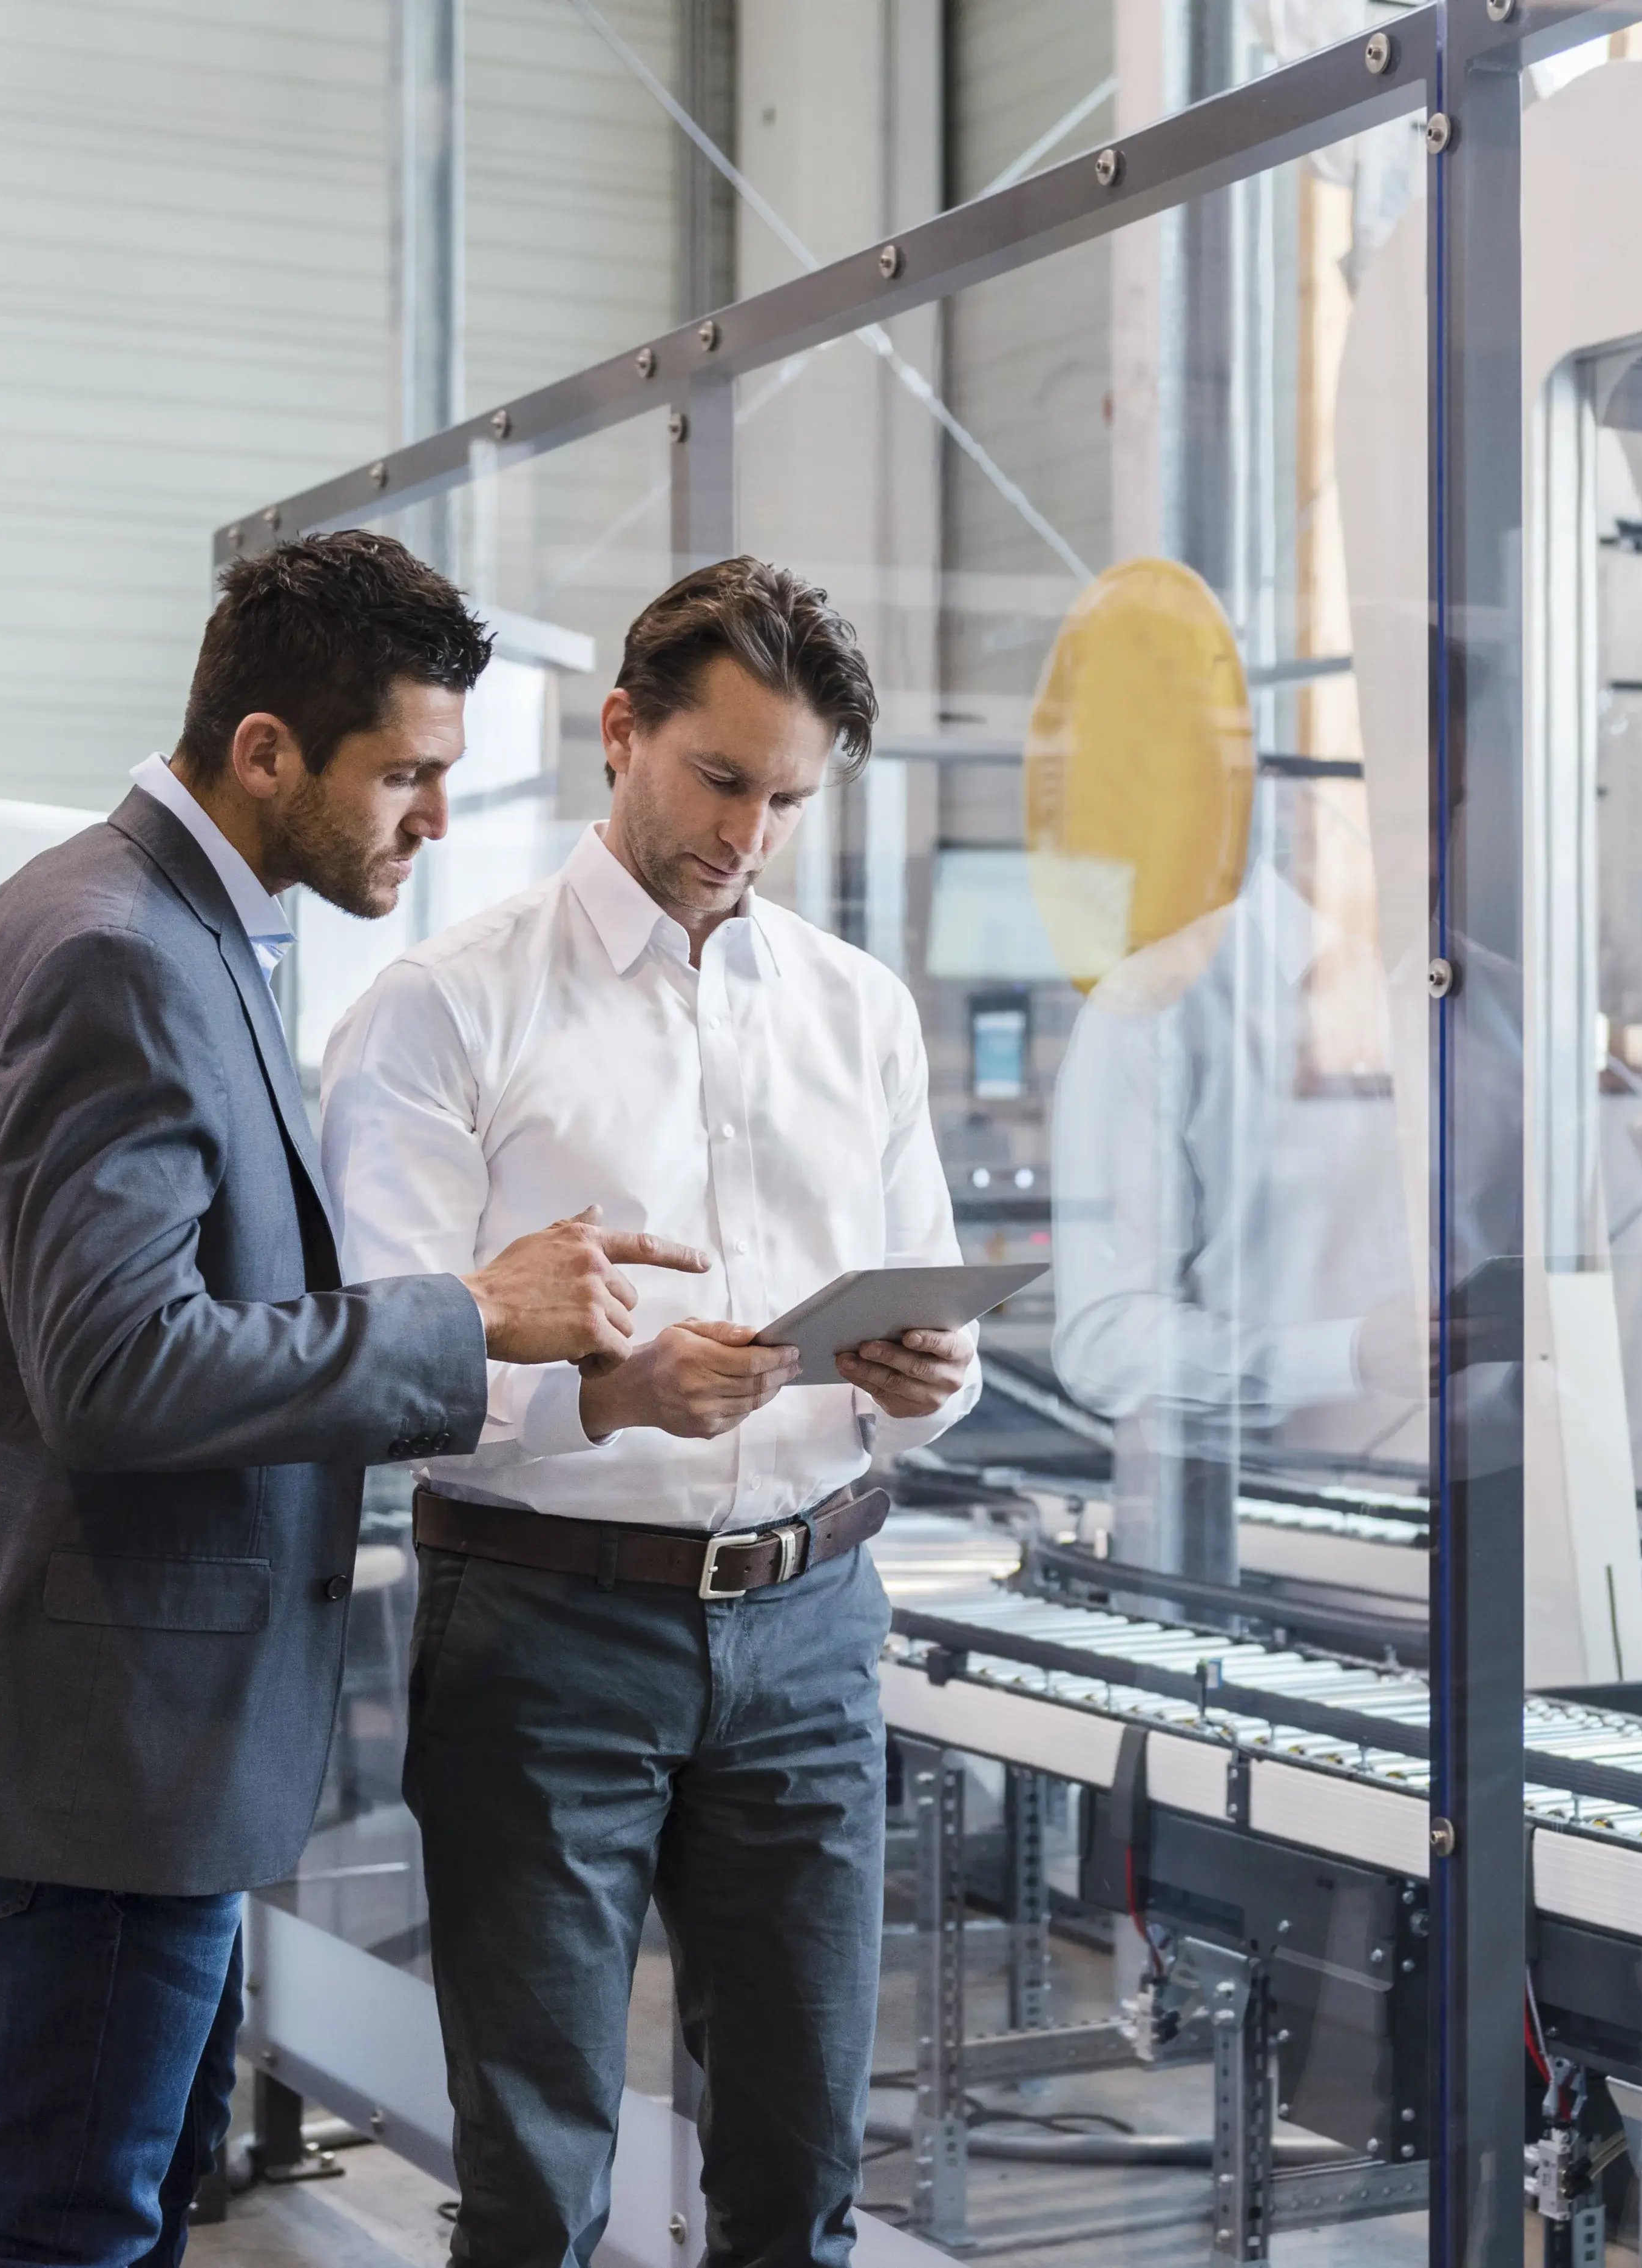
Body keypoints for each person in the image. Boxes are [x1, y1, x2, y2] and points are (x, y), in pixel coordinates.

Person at [0, 532, 709, 2268]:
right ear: (267, 752)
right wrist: (471, 1315)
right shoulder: (118, 955)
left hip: (123, 1719)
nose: (437, 821)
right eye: (410, 775)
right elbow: (121, 1367)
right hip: (105, 1729)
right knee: (57, 2223)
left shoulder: (150, 923)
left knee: (116, 2199)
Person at [320, 555, 981, 2267]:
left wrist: (927, 1378)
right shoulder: (445, 1009)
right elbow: (382, 1384)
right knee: (537, 2173)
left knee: (800, 2156)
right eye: (721, 777)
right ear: (623, 732)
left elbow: (929, 1322)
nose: (750, 832)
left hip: (814, 1623)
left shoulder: (860, 1012)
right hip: (545, 1633)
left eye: (788, 798)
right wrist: (607, 1399)